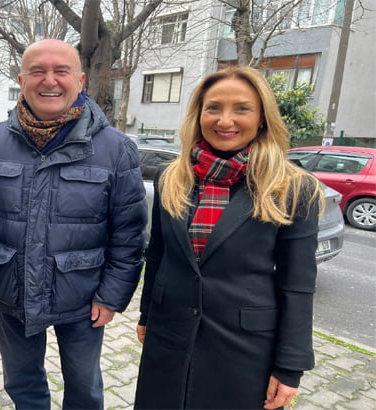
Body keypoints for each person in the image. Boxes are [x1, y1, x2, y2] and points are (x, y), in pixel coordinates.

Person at [134, 65, 324, 410]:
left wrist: (290, 366)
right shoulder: (171, 178)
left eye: (242, 108)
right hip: (169, 335)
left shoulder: (293, 187)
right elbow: (158, 256)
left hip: (245, 349)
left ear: (262, 117)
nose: (225, 120)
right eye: (213, 107)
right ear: (199, 114)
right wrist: (147, 314)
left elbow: (297, 285)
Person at [0, 39, 147, 409]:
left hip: (83, 296)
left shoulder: (115, 148)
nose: (49, 80)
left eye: (61, 71)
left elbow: (129, 234)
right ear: (21, 80)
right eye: (37, 71)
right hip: (11, 291)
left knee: (84, 388)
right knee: (21, 383)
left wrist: (111, 296)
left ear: (80, 80)